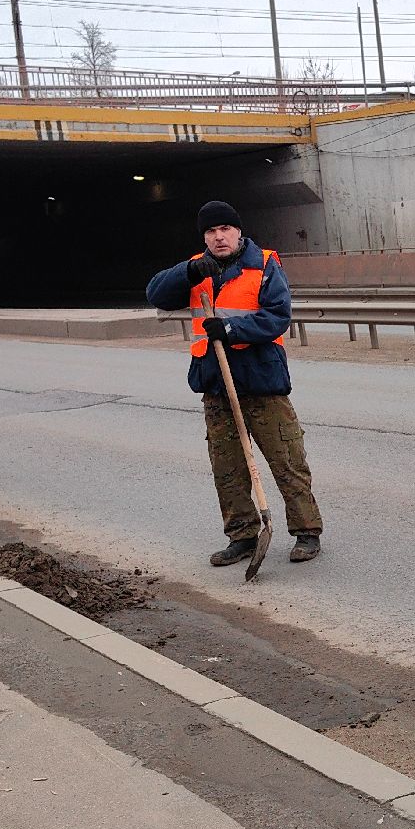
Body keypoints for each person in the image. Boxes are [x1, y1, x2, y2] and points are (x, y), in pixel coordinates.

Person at [147, 201, 322, 567]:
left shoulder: (264, 264)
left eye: (225, 229)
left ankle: (307, 532)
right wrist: (190, 271)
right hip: (216, 383)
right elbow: (155, 294)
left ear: (238, 231)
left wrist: (229, 329)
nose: (218, 236)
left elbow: (277, 316)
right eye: (211, 231)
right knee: (227, 467)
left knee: (286, 458)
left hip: (261, 379)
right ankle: (241, 535)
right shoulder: (197, 268)